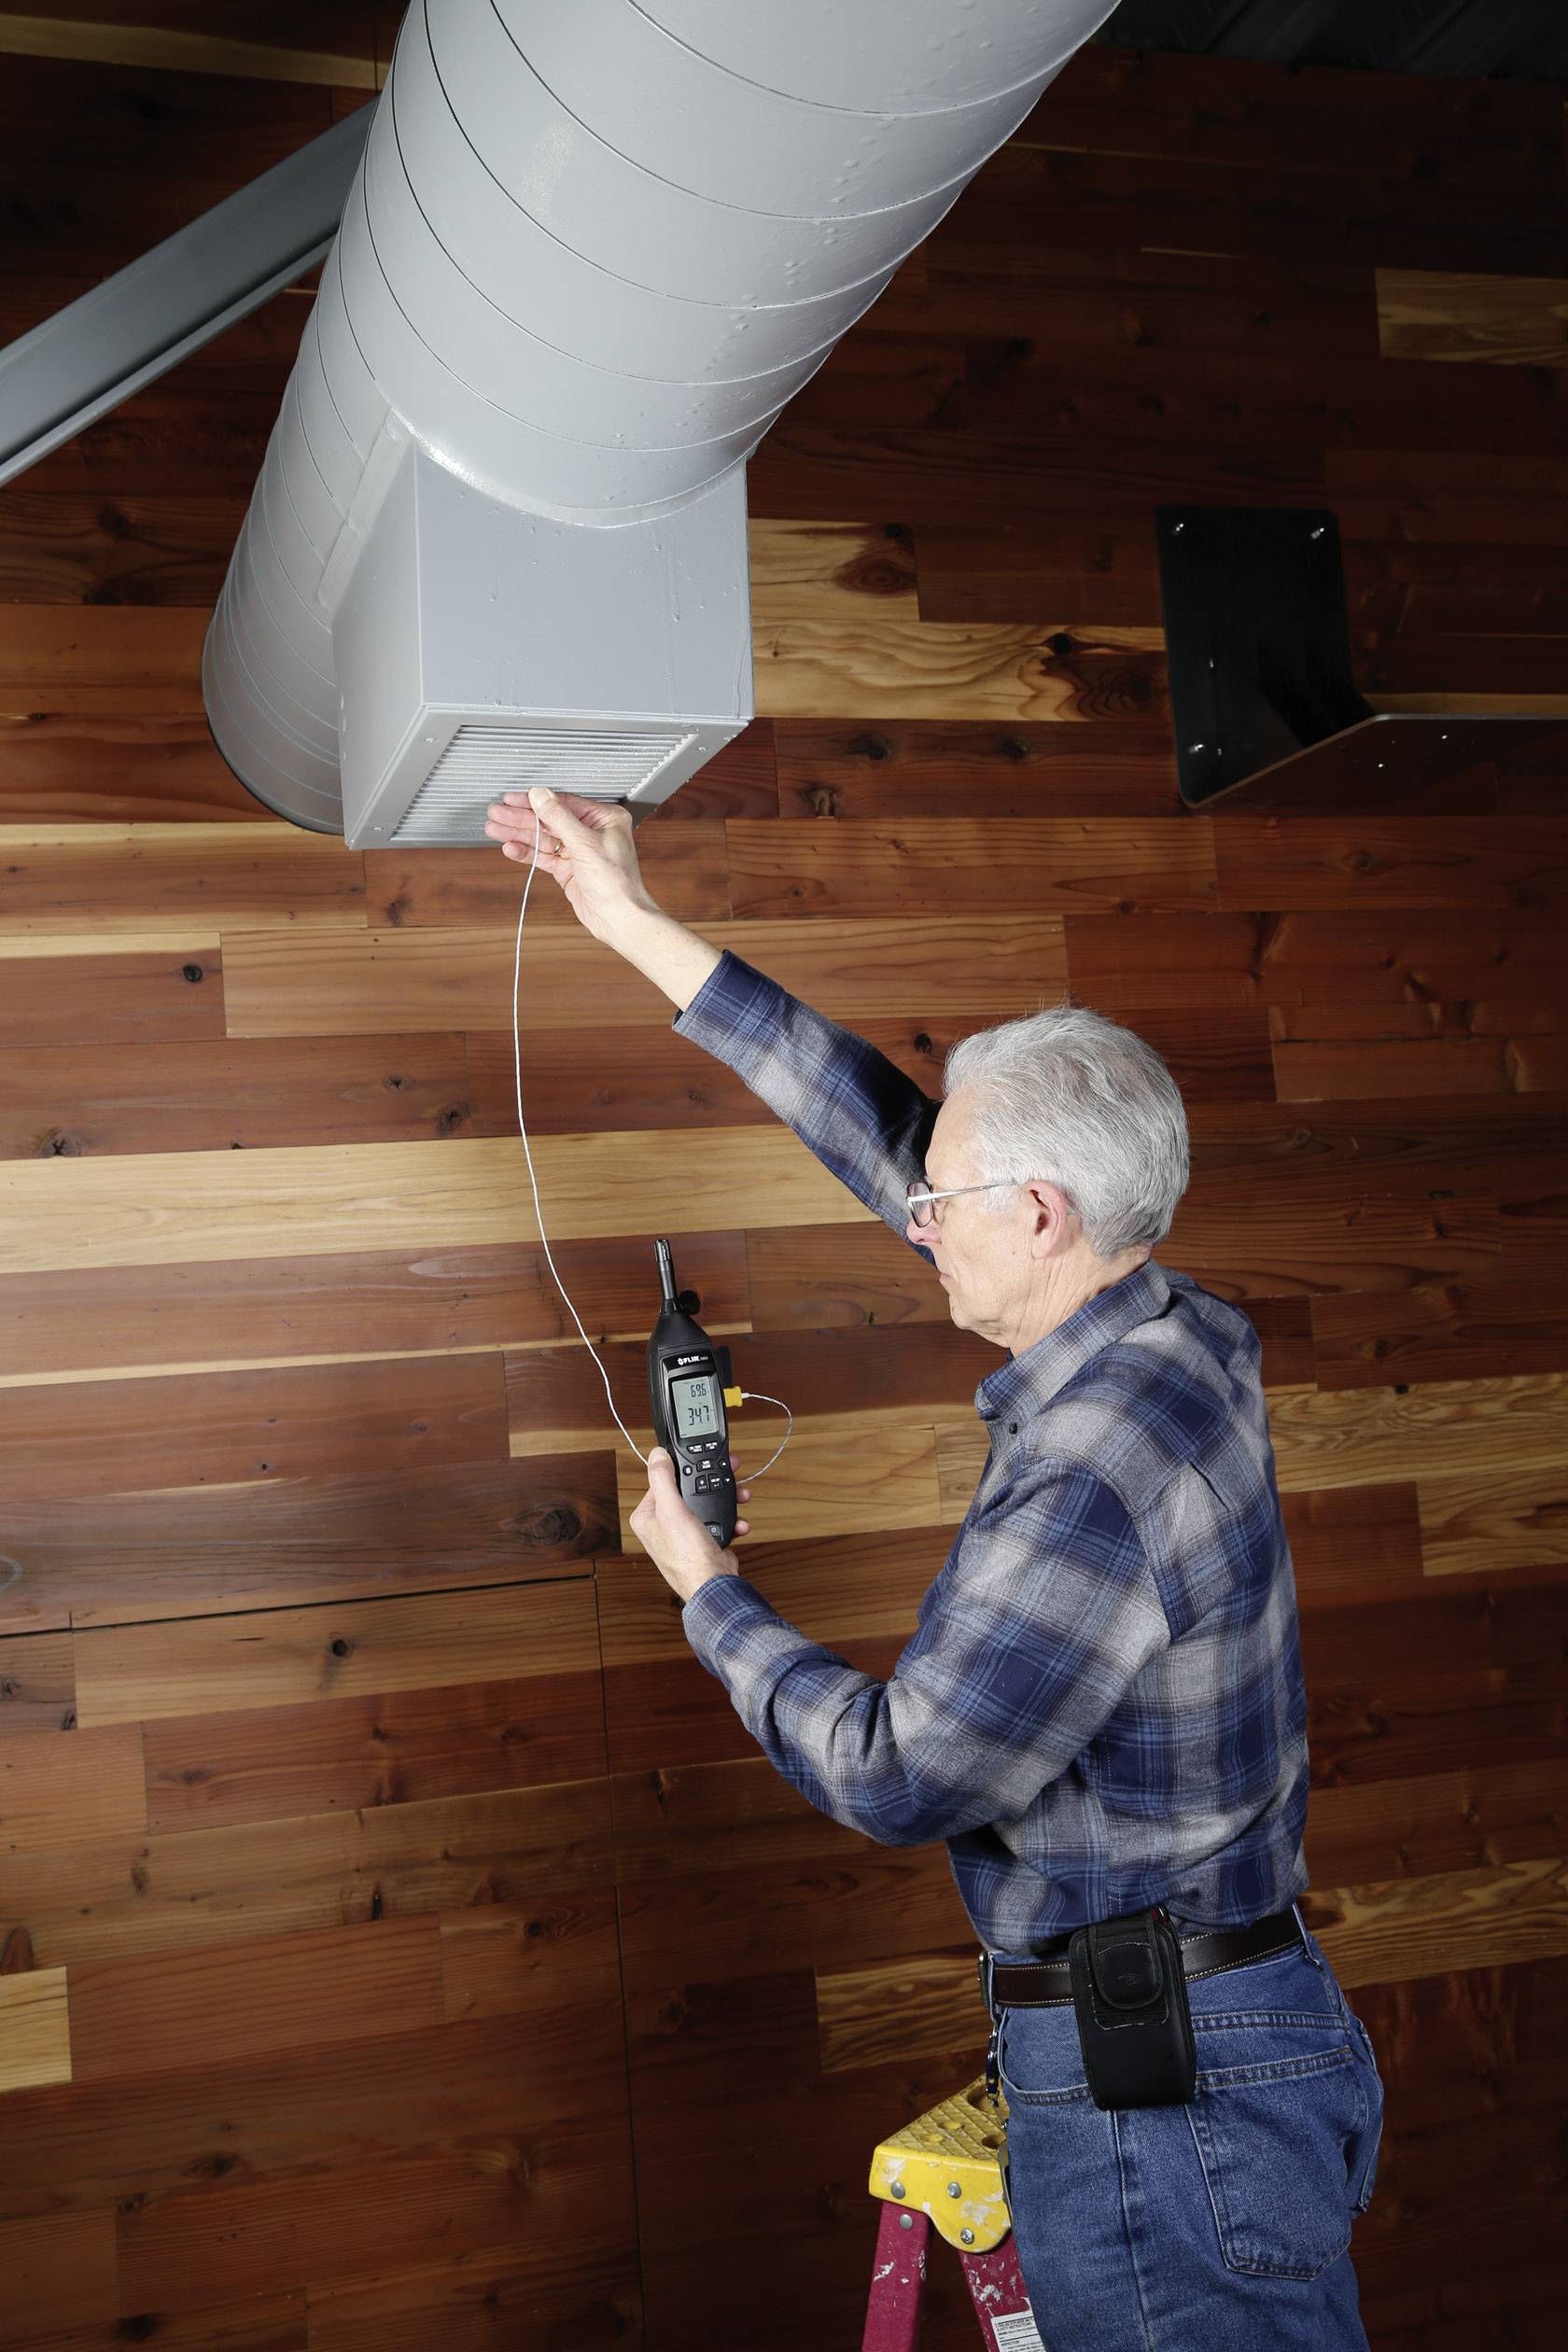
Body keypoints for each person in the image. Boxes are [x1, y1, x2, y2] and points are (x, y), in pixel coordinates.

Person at [483, 784, 1386, 2352]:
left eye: (941, 1205)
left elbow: (902, 1775)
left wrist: (708, 1592)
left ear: (1038, 1212)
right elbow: (884, 1130)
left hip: (1160, 2103)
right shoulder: (1177, 1326)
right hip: (1225, 2037)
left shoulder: (1092, 1476)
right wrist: (629, 920)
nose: (913, 1216)